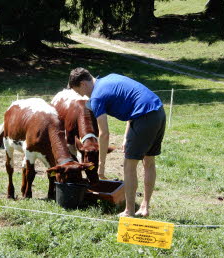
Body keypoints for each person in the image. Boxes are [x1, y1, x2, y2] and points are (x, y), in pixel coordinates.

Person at [68, 67, 166, 217]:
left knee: (129, 165)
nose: (82, 95)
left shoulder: (96, 97)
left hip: (144, 118)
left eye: (78, 91)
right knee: (148, 161)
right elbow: (132, 100)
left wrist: (101, 165)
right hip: (158, 112)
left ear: (83, 84)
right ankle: (144, 207)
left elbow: (104, 133)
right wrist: (127, 135)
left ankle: (129, 211)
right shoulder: (110, 78)